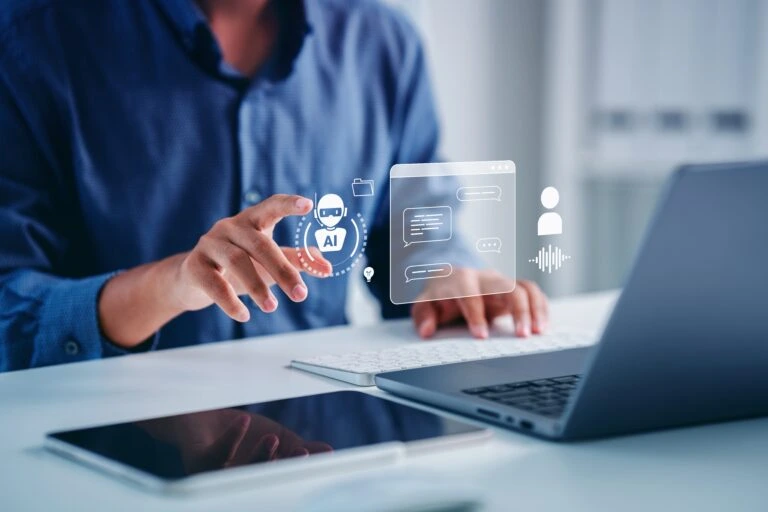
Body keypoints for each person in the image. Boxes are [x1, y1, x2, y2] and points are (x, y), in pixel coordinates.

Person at [0, 0, 548, 372]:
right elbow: (8, 306)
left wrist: (445, 279)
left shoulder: (384, 42)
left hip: (326, 443)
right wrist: (173, 284)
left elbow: (416, 230)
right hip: (101, 441)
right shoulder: (28, 39)